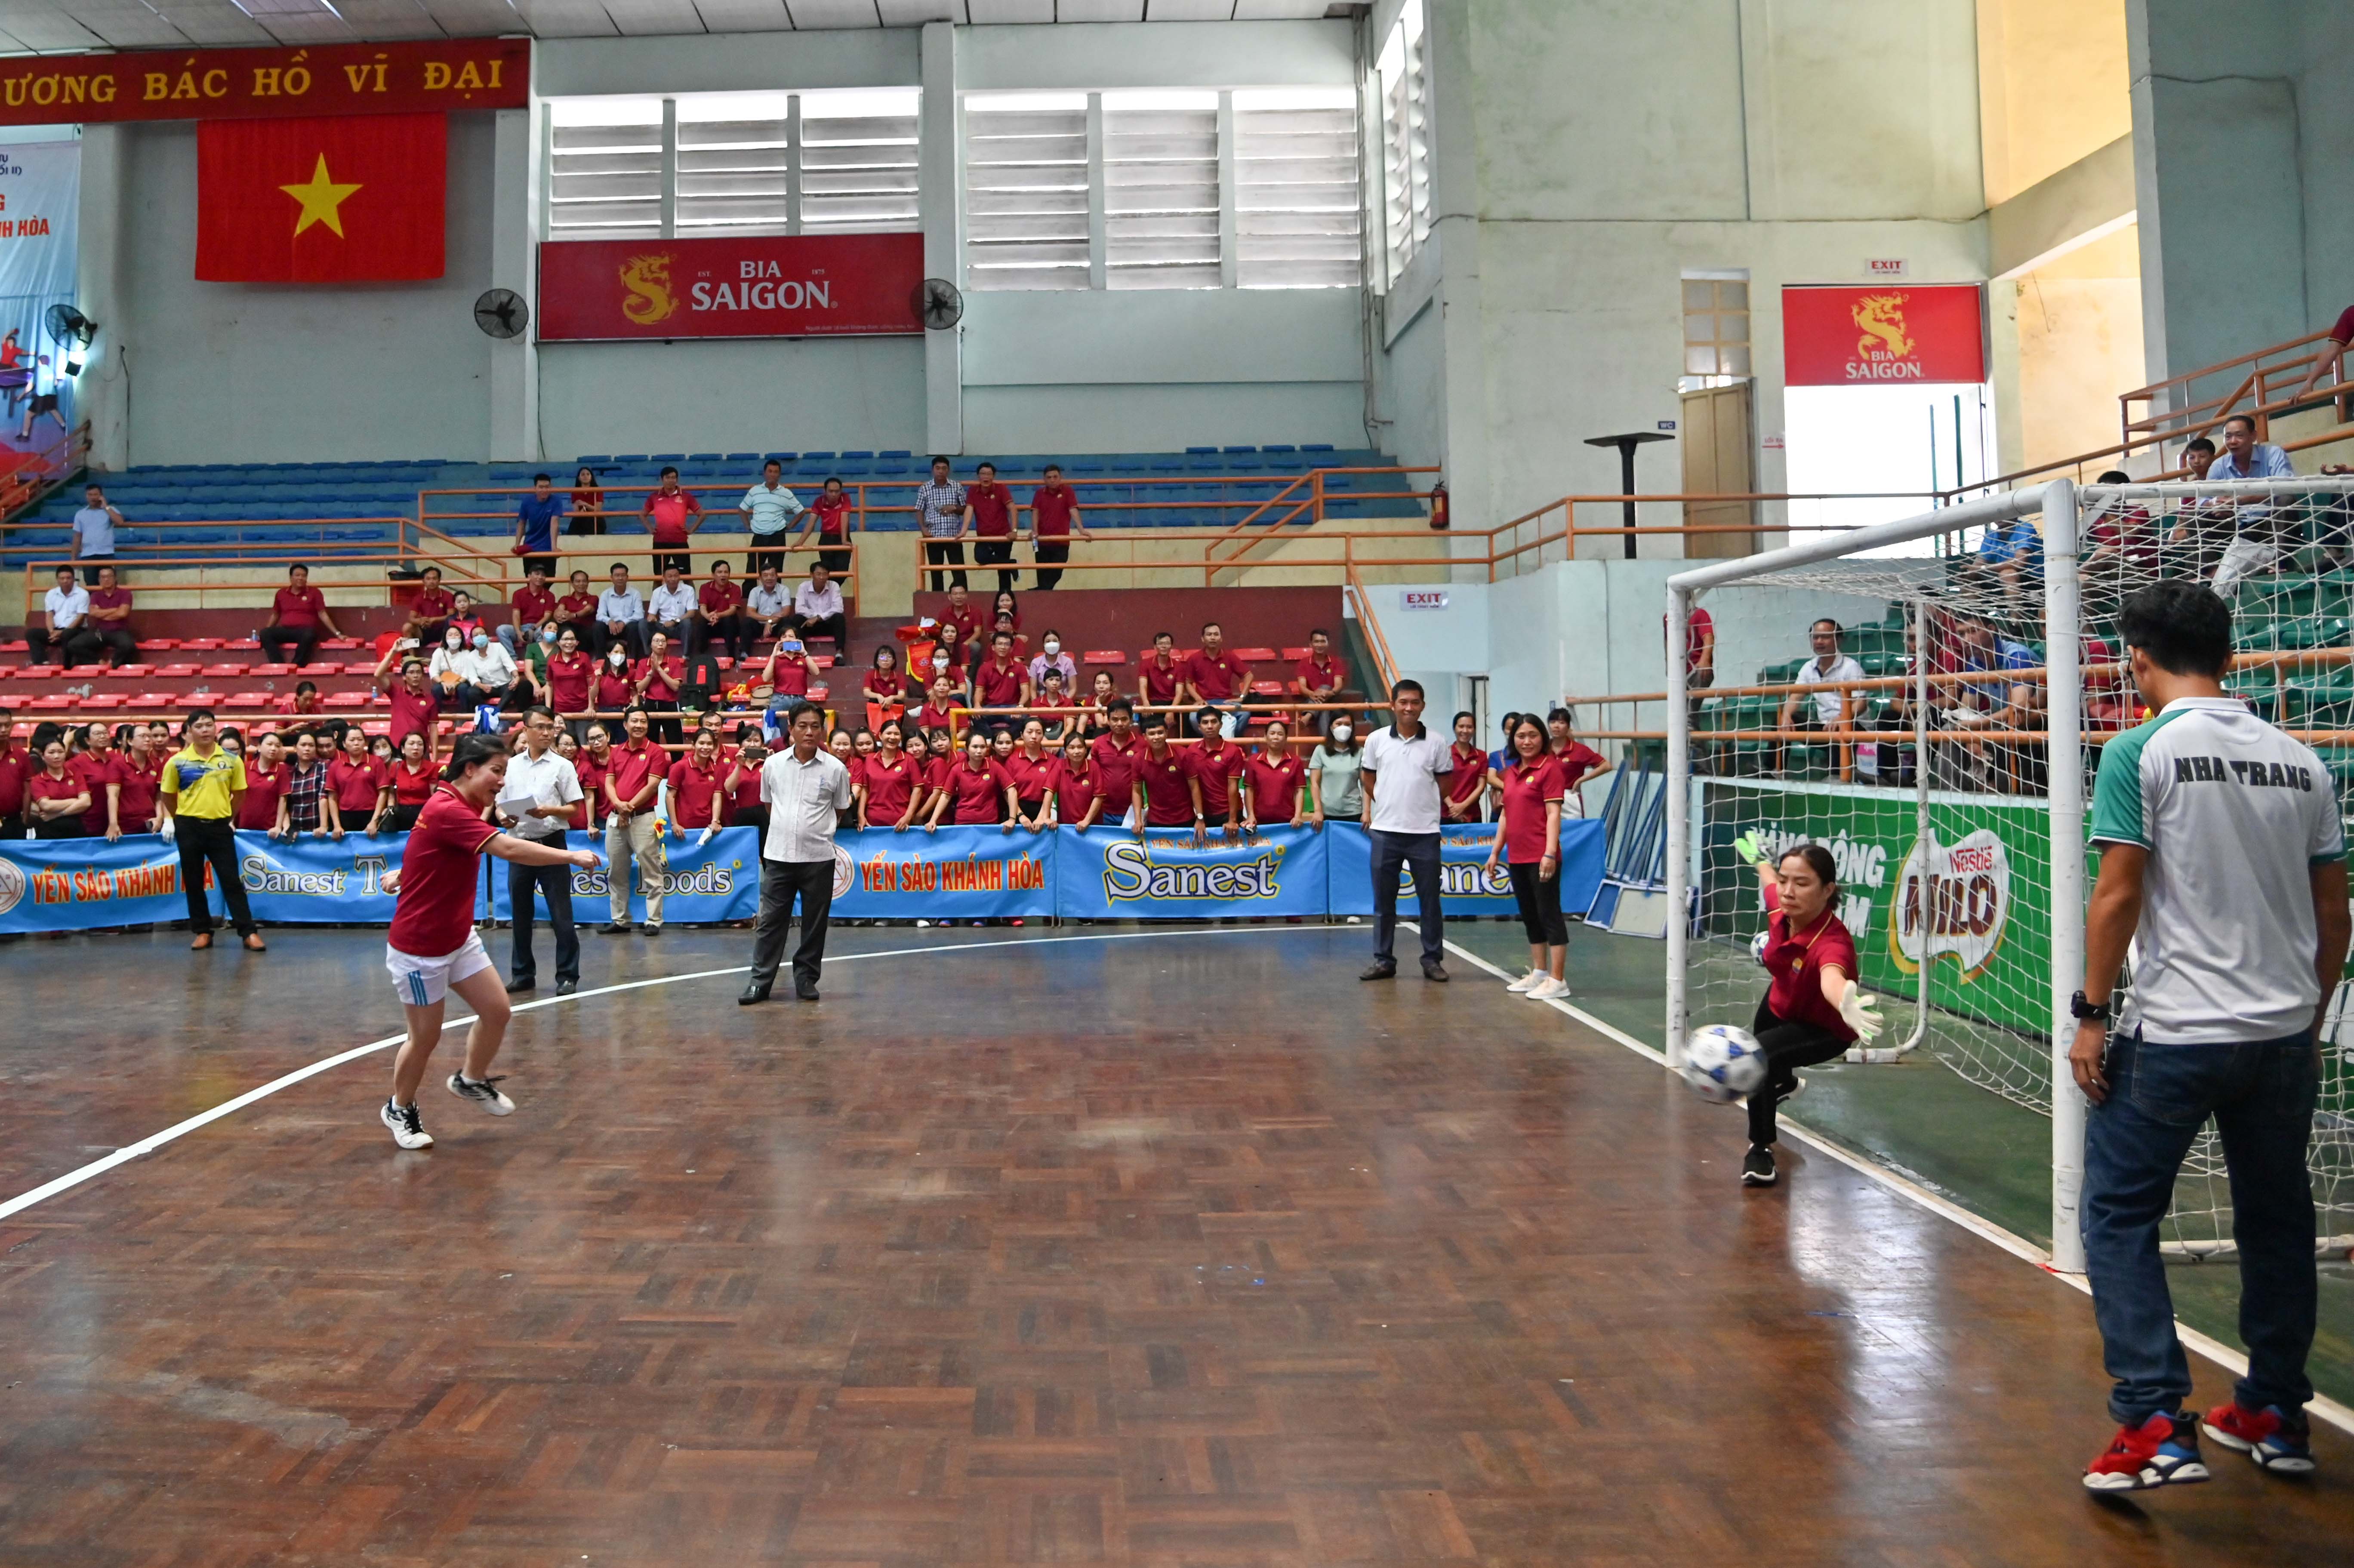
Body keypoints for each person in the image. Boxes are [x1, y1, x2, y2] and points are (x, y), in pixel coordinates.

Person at [2072, 580, 2346, 1492]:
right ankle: (2273, 1408)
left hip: (2178, 1035)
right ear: (2228, 656)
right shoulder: (2303, 759)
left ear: (2138, 659)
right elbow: (2334, 908)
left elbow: (2118, 892)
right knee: (2279, 1221)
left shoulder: (2137, 750)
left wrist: (2091, 1013)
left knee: (2115, 1214)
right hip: (2279, 1037)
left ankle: (2154, 1417)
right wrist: (2310, 1014)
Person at [376, 733, 602, 1150]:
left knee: (497, 1011)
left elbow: (430, 850)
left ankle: (470, 1079)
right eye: (497, 771)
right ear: (470, 769)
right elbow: (507, 849)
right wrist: (570, 856)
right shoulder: (447, 807)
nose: (502, 781)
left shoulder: (463, 804)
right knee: (424, 1038)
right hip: (420, 948)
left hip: (458, 937)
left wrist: (404, 873)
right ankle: (399, 1107)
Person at [1723, 838, 1883, 1187]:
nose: (1788, 891)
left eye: (1802, 882)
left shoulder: (1832, 943)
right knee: (1766, 1063)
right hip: (1780, 1003)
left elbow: (1832, 977)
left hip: (1823, 1027)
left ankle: (1760, 1149)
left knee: (1757, 1057)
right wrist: (1759, 860)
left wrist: (1844, 1001)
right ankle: (1786, 1083)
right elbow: (1769, 880)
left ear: (1828, 890)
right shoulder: (1781, 911)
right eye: (1786, 880)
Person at [727, 699, 851, 1003]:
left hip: (819, 857)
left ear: (823, 730)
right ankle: (760, 982)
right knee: (771, 922)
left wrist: (816, 831)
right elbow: (769, 805)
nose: (809, 732)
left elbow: (840, 809)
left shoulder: (836, 768)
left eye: (815, 726)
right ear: (791, 729)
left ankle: (807, 979)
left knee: (814, 923)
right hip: (779, 857)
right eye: (802, 726)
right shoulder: (773, 764)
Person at [1359, 679, 1453, 983]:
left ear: (1423, 705)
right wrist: (1386, 803)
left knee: (1430, 901)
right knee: (1384, 903)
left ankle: (1432, 960)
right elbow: (1368, 778)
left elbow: (1444, 784)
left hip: (1425, 834)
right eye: (1403, 702)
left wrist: (1422, 806)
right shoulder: (1376, 740)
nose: (1409, 708)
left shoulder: (1437, 742)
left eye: (1415, 702)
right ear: (1393, 705)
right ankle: (1384, 959)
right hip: (1385, 833)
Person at [491, 705, 585, 996]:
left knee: (561, 915)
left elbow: (575, 809)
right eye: (541, 727)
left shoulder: (562, 766)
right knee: (520, 914)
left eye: (551, 727)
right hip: (519, 845)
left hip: (551, 844)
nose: (547, 732)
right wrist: (502, 817)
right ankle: (522, 974)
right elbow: (498, 803)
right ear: (526, 730)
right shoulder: (512, 765)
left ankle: (568, 975)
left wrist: (548, 810)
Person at [156, 709, 266, 951]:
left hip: (220, 827)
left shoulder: (231, 760)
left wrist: (228, 816)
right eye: (199, 726)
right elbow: (168, 795)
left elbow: (240, 793)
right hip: (189, 826)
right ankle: (203, 931)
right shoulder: (177, 762)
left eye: (209, 725)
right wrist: (180, 818)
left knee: (231, 881)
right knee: (194, 882)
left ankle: (248, 932)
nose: (205, 730)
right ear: (189, 732)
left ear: (216, 729)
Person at [1486, 713, 1568, 1000]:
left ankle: (1558, 980)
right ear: (1513, 740)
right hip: (1517, 857)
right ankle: (1540, 973)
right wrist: (1496, 851)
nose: (1527, 741)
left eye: (1533, 735)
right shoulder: (1511, 773)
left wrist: (1549, 852)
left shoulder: (1550, 769)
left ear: (1542, 737)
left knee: (1549, 915)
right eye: (1521, 736)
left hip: (1541, 856)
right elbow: (1507, 815)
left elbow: (1553, 813)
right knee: (1530, 916)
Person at [2205, 414, 2300, 596]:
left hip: (2270, 521)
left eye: (2239, 436)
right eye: (2228, 437)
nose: (2233, 442)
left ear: (2253, 436)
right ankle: (2211, 570)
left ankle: (2280, 562)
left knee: (2286, 500)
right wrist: (2217, 505)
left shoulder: (2273, 454)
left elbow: (2285, 486)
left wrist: (2241, 500)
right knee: (2198, 514)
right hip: (2237, 525)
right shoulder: (2219, 466)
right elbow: (2204, 499)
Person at [601, 705, 667, 935]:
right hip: (616, 818)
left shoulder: (656, 752)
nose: (639, 725)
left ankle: (653, 920)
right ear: (625, 725)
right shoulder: (616, 752)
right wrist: (619, 806)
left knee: (651, 870)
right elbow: (609, 783)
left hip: (643, 818)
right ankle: (620, 919)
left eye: (643, 722)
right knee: (616, 871)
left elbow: (652, 785)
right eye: (635, 721)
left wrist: (628, 808)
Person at [1778, 620, 1864, 778]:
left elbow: (1861, 703)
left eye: (1825, 637)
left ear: (1838, 640)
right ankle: (1774, 771)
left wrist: (1842, 718)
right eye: (1815, 637)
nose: (1819, 642)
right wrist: (1786, 715)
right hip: (1823, 727)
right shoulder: (1808, 668)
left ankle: (1839, 778)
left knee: (1840, 731)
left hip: (1851, 726)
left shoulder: (1851, 667)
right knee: (1781, 720)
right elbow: (1796, 696)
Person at [1130, 712, 1203, 843]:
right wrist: (1138, 820)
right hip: (1156, 821)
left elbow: (1194, 787)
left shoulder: (1183, 754)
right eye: (1152, 734)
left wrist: (1200, 818)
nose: (1157, 737)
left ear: (1167, 733)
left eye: (1160, 733)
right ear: (1145, 737)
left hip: (1185, 819)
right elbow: (1137, 791)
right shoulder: (1138, 759)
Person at [928, 728, 1019, 833]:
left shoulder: (995, 767)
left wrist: (1012, 819)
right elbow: (946, 796)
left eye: (982, 747)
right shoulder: (957, 769)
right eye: (975, 747)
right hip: (963, 822)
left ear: (987, 749)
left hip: (990, 823)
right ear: (967, 749)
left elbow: (1011, 791)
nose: (979, 751)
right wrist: (933, 820)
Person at [260, 563, 345, 668]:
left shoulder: (315, 592)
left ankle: (297, 666)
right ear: (291, 578)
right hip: (286, 631)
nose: (301, 578)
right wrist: (268, 629)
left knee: (310, 634)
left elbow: (323, 614)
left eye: (304, 576)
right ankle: (279, 665)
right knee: (265, 633)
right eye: (298, 575)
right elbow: (275, 614)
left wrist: (338, 634)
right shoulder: (281, 593)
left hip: (305, 632)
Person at [1184, 707, 1245, 840]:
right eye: (1205, 723)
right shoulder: (1192, 751)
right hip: (1204, 814)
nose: (1210, 726)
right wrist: (1200, 818)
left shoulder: (1233, 751)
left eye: (1214, 722)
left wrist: (1232, 820)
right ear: (1199, 727)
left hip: (1228, 813)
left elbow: (1233, 787)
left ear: (1221, 725)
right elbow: (1194, 787)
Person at [1182, 623, 1252, 737]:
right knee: (1193, 718)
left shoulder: (1230, 657)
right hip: (1205, 703)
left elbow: (1249, 676)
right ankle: (1209, 742)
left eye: (1216, 635)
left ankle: (1231, 744)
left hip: (1227, 702)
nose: (1213, 638)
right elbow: (1188, 683)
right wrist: (1198, 699)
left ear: (1221, 638)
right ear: (1203, 639)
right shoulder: (1194, 659)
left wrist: (1242, 697)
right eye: (1209, 635)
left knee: (1245, 714)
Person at [1239, 718, 1307, 834]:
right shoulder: (1253, 761)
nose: (1276, 737)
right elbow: (1249, 790)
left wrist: (1298, 816)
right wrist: (1250, 815)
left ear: (1286, 738)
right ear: (1266, 737)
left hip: (1288, 822)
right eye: (1272, 733)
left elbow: (1299, 791)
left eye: (1280, 734)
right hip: (1259, 821)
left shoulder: (1296, 761)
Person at [1027, 463, 1087, 590]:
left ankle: (1039, 592)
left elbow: (1073, 510)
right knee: (1042, 575)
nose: (1052, 480)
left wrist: (1081, 530)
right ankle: (1042, 596)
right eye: (1049, 477)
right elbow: (1035, 512)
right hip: (1042, 541)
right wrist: (1035, 532)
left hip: (1061, 541)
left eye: (1055, 477)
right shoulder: (1039, 493)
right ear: (1044, 479)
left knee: (1056, 573)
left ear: (1061, 478)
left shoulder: (1068, 491)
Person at [739, 459, 803, 576]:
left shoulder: (786, 493)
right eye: (770, 471)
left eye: (776, 472)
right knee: (751, 572)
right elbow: (742, 509)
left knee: (776, 573)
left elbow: (801, 512)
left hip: (777, 536)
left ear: (779, 475)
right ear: (765, 473)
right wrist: (748, 526)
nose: (773, 474)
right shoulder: (755, 491)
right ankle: (748, 595)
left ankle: (777, 595)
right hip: (758, 536)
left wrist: (790, 526)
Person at [104, 722, 164, 842]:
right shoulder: (117, 764)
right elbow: (113, 795)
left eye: (149, 736)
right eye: (142, 736)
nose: (147, 740)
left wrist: (160, 817)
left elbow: (159, 796)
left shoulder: (156, 765)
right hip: (125, 826)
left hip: (150, 825)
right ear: (130, 742)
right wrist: (113, 823)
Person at [26, 564, 95, 668]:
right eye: (62, 578)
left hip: (76, 630)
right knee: (32, 634)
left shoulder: (83, 594)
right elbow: (49, 615)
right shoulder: (51, 594)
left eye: (68, 578)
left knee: (67, 635)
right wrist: (52, 632)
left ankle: (67, 667)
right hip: (56, 631)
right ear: (57, 580)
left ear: (73, 579)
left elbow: (80, 618)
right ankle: (41, 663)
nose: (65, 581)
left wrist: (62, 633)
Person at [916, 455, 968, 591]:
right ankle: (938, 601)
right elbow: (919, 510)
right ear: (933, 470)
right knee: (936, 572)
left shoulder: (957, 487)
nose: (941, 471)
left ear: (949, 470)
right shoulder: (925, 488)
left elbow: (965, 509)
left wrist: (954, 508)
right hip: (933, 536)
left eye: (944, 468)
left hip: (954, 536)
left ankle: (962, 597)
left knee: (959, 572)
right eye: (938, 468)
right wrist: (923, 529)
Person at [1544, 709, 1610, 816]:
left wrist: (1581, 780)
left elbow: (1606, 766)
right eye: (1553, 722)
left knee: (1575, 831)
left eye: (1561, 723)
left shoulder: (1579, 750)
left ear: (1568, 727)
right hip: (1546, 798)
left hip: (1569, 798)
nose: (1556, 726)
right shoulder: (1542, 749)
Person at [329, 725, 392, 837]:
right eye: (352, 740)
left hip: (371, 814)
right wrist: (337, 825)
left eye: (360, 740)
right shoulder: (336, 766)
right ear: (344, 744)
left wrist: (375, 821)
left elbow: (383, 793)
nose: (356, 743)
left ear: (365, 742)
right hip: (345, 816)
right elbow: (332, 797)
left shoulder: (376, 762)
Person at [966, 459, 1018, 593]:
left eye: (989, 474)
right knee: (980, 557)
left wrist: (1014, 530)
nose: (986, 477)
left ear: (993, 476)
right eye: (983, 474)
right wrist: (963, 531)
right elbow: (969, 510)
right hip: (984, 537)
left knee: (1003, 572)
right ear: (978, 476)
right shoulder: (973, 491)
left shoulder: (1001, 489)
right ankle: (1010, 564)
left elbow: (1012, 509)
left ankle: (1005, 598)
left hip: (1003, 535)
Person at [641, 465, 702, 577]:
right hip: (660, 542)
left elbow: (702, 515)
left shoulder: (686, 496)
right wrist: (650, 529)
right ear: (662, 479)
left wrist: (691, 530)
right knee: (659, 577)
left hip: (680, 541)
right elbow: (642, 515)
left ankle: (691, 595)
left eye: (674, 478)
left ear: (677, 480)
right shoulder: (654, 497)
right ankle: (655, 595)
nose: (671, 480)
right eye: (668, 477)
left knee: (686, 577)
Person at [1305, 714, 1362, 829]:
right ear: (1331, 727)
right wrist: (1318, 810)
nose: (1343, 728)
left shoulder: (1361, 752)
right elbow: (1315, 783)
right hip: (1327, 813)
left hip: (1354, 812)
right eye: (1339, 724)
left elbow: (1366, 785)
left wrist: (1367, 812)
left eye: (1347, 725)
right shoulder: (1320, 751)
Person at [25, 737, 89, 838]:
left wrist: (57, 814)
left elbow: (86, 802)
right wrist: (76, 801)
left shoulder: (76, 774)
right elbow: (47, 806)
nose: (57, 756)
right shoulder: (38, 780)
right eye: (51, 753)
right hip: (49, 831)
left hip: (76, 830)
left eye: (61, 752)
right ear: (43, 756)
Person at [694, 558, 752, 663]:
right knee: (702, 622)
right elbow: (703, 608)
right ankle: (701, 658)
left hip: (728, 624)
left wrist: (718, 616)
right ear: (713, 575)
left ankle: (731, 657)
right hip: (712, 623)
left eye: (726, 572)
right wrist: (709, 617)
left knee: (729, 620)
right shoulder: (705, 588)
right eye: (720, 572)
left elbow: (733, 610)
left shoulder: (735, 588)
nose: (723, 575)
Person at [79, 563, 137, 667]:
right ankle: (98, 662)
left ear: (115, 578)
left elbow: (123, 613)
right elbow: (93, 613)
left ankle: (112, 664)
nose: (106, 580)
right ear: (99, 580)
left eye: (109, 576)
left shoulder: (125, 594)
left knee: (129, 645)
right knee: (74, 645)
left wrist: (102, 613)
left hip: (119, 631)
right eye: (103, 577)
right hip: (100, 632)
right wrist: (115, 610)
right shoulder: (95, 595)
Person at [1290, 630, 1347, 733]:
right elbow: (1302, 687)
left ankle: (1308, 716)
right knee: (1324, 709)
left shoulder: (1336, 662)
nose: (1320, 645)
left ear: (1328, 643)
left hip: (1333, 699)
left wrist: (1329, 693)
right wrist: (1313, 694)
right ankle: (1326, 745)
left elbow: (1338, 686)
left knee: (1325, 688)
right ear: (1311, 644)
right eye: (1316, 642)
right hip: (1312, 700)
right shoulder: (1304, 663)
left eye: (1323, 642)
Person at [797, 474, 854, 576]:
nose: (834, 494)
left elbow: (844, 516)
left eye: (837, 491)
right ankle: (827, 592)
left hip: (842, 537)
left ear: (841, 491)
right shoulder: (819, 501)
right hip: (826, 539)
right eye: (831, 491)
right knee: (827, 572)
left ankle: (830, 592)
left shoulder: (845, 498)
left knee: (843, 573)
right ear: (825, 491)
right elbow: (812, 522)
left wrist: (844, 540)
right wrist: (800, 542)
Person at [1007, 718, 1058, 831]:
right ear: (1022, 735)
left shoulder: (1053, 761)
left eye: (1039, 733)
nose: (1034, 736)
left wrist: (1042, 817)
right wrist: (1020, 816)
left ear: (1043, 736)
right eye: (1030, 732)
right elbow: (1009, 792)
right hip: (1017, 811)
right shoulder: (1012, 760)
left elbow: (1050, 792)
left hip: (1044, 811)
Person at [633, 631, 684, 744]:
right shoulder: (643, 663)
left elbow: (675, 687)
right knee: (650, 743)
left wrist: (659, 669)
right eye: (657, 641)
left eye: (663, 641)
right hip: (651, 704)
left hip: (670, 705)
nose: (660, 644)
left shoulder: (674, 662)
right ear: (651, 644)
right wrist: (652, 671)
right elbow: (640, 689)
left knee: (675, 742)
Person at [237, 731, 291, 837]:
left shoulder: (282, 770)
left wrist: (278, 826)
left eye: (277, 746)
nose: (273, 749)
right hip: (243, 828)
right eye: (269, 744)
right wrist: (231, 821)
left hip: (269, 830)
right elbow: (235, 795)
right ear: (259, 747)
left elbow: (283, 799)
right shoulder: (245, 767)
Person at [971, 628, 1031, 722]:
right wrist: (977, 705)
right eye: (999, 644)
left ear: (1011, 649)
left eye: (1006, 644)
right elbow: (979, 691)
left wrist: (1020, 706)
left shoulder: (1020, 668)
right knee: (976, 717)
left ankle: (1010, 736)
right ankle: (988, 737)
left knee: (1024, 718)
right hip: (991, 708)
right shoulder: (984, 668)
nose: (1003, 647)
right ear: (993, 647)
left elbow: (1026, 692)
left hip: (1012, 708)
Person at [278, 731, 331, 838]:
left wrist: (323, 826)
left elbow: (323, 797)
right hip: (294, 831)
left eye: (311, 746)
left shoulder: (324, 766)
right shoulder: (288, 772)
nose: (307, 749)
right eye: (303, 745)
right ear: (295, 748)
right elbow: (284, 801)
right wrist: (287, 827)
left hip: (317, 830)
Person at [513, 473, 565, 579]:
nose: (544, 490)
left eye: (547, 487)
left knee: (549, 579)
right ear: (535, 488)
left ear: (551, 487)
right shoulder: (527, 502)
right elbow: (521, 523)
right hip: (530, 547)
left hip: (547, 548)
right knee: (531, 580)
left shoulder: (556, 501)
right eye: (541, 487)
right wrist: (517, 544)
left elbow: (554, 523)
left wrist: (554, 547)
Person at [502, 560, 558, 657]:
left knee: (545, 631)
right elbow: (516, 614)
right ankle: (513, 659)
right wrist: (518, 632)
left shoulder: (550, 596)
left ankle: (539, 659)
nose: (540, 577)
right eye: (537, 574)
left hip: (538, 627)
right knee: (502, 630)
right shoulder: (518, 594)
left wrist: (534, 628)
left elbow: (547, 616)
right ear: (529, 576)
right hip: (522, 627)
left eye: (543, 575)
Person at [384, 731, 437, 831]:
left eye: (420, 744)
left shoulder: (432, 768)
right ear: (403, 749)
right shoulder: (396, 767)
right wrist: (390, 808)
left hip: (424, 813)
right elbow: (391, 792)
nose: (416, 748)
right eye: (412, 744)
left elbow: (434, 796)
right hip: (400, 813)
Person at [71, 482, 123, 583]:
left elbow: (120, 522)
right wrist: (73, 557)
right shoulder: (80, 514)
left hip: (107, 553)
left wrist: (106, 507)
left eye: (95, 495)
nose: (93, 498)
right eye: (90, 495)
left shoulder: (110, 510)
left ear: (101, 496)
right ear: (86, 496)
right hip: (88, 554)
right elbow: (77, 536)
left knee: (110, 584)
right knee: (91, 585)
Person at [595, 562, 648, 659]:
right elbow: (600, 615)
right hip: (611, 628)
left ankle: (632, 660)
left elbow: (639, 615)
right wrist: (609, 621)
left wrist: (624, 622)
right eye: (617, 576)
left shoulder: (635, 594)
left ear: (627, 577)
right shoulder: (605, 594)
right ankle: (601, 659)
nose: (620, 578)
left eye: (623, 575)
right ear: (611, 578)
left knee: (634, 627)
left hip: (628, 628)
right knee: (598, 626)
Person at [1444, 711, 1490, 823]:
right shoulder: (1444, 753)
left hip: (1473, 815)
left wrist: (1463, 806)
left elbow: (1481, 786)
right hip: (1447, 814)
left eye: (1470, 727)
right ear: (1454, 728)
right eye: (1461, 727)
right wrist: (1453, 808)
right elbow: (1439, 784)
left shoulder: (1481, 755)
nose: (1465, 731)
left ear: (1474, 730)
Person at [792, 561, 847, 648]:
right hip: (810, 624)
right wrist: (813, 617)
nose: (822, 577)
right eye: (818, 574)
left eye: (825, 574)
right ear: (812, 575)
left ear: (828, 575)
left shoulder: (834, 586)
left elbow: (838, 608)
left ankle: (839, 653)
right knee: (797, 619)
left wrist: (818, 618)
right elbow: (799, 609)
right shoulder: (803, 587)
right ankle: (800, 652)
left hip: (827, 623)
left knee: (839, 618)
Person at [647, 562, 697, 650]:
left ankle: (686, 655)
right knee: (643, 624)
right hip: (663, 627)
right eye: (670, 576)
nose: (673, 579)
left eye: (676, 576)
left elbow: (692, 613)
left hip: (679, 626)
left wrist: (674, 622)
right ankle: (649, 654)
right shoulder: (657, 592)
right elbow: (652, 614)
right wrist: (652, 618)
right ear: (664, 578)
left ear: (680, 577)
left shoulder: (689, 590)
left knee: (687, 623)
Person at [746, 565, 792, 647]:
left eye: (772, 575)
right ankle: (744, 655)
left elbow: (786, 612)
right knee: (747, 622)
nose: (769, 578)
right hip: (760, 626)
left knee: (787, 621)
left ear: (777, 576)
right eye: (766, 575)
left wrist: (771, 622)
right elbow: (750, 613)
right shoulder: (755, 591)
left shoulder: (784, 590)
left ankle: (790, 652)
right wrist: (769, 619)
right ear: (760, 578)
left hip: (777, 625)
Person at [410, 567, 456, 644]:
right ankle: (412, 655)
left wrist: (434, 620)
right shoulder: (418, 598)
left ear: (439, 580)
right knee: (407, 627)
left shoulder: (448, 596)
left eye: (434, 579)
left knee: (453, 625)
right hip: (424, 630)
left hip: (443, 630)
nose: (432, 582)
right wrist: (421, 621)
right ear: (423, 581)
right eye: (428, 579)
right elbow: (411, 618)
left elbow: (451, 616)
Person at [556, 568, 601, 647]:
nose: (581, 584)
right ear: (572, 584)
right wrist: (559, 615)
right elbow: (560, 609)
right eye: (578, 581)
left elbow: (588, 610)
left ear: (588, 583)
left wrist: (573, 615)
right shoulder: (565, 599)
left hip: (586, 630)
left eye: (584, 581)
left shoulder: (594, 598)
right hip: (569, 628)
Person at [1027, 630, 1077, 697]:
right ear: (1044, 644)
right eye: (1048, 641)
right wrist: (1036, 705)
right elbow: (1033, 690)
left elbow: (1073, 689)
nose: (1052, 644)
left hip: (1063, 702)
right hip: (1042, 703)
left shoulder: (1068, 662)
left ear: (1059, 643)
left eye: (1055, 641)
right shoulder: (1035, 663)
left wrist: (1065, 704)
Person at [568, 465, 607, 536]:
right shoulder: (575, 492)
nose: (585, 476)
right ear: (579, 478)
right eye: (583, 475)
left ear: (591, 477)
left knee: (589, 519)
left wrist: (585, 505)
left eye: (588, 474)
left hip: (596, 519)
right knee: (577, 521)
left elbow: (598, 510)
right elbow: (576, 512)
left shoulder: (598, 491)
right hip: (581, 519)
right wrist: (581, 512)